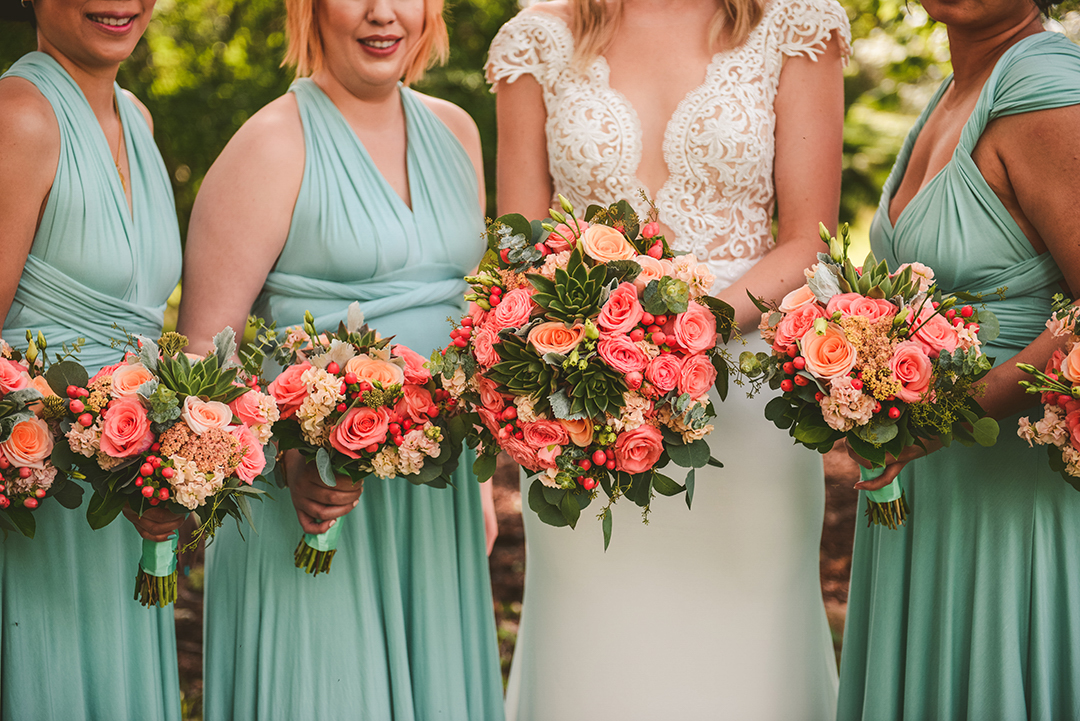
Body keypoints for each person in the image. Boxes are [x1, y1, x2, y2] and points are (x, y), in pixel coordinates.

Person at [486, 0, 848, 718]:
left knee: (751, 650)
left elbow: (810, 241)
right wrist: (592, 353)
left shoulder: (795, 23)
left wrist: (686, 329)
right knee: (596, 651)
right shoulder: (536, 38)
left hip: (746, 405)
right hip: (586, 410)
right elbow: (516, 255)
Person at [176, 0, 504, 718]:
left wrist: (476, 475)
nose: (383, 14)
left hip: (433, 501)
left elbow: (461, 318)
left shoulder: (459, 131)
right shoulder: (271, 144)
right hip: (313, 503)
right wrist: (292, 461)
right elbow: (203, 368)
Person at [838, 2, 1080, 718]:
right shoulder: (958, 88)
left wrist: (950, 416)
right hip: (928, 477)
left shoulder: (1046, 88)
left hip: (1004, 480)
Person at [0, 0, 184, 718]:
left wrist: (184, 455)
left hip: (127, 497)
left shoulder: (134, 117)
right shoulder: (22, 115)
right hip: (44, 501)